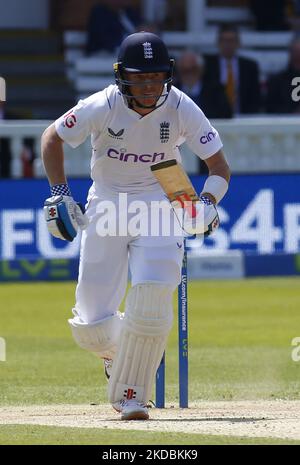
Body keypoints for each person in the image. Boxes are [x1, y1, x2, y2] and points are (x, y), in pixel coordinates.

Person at [41, 32, 230, 421]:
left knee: (152, 299)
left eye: (157, 76)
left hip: (160, 202)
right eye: (140, 77)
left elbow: (219, 168)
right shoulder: (101, 105)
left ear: (168, 76)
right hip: (107, 203)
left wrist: (207, 204)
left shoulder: (180, 106)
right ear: (121, 76)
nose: (149, 85)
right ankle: (118, 354)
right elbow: (51, 138)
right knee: (90, 325)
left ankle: (132, 395)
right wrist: (60, 193)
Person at [205, 24, 261, 115]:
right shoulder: (208, 66)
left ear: (238, 43)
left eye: (231, 40)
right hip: (215, 119)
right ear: (218, 43)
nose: (228, 45)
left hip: (243, 118)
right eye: (224, 40)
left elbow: (255, 98)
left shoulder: (250, 67)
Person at [176, 50, 232, 119]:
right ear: (178, 70)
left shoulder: (216, 91)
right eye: (185, 70)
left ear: (201, 69)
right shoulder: (170, 91)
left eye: (193, 69)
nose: (189, 74)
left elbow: (226, 116)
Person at [266, 37, 300, 114]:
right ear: (290, 54)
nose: (298, 55)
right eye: (296, 52)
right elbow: (271, 108)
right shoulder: (276, 81)